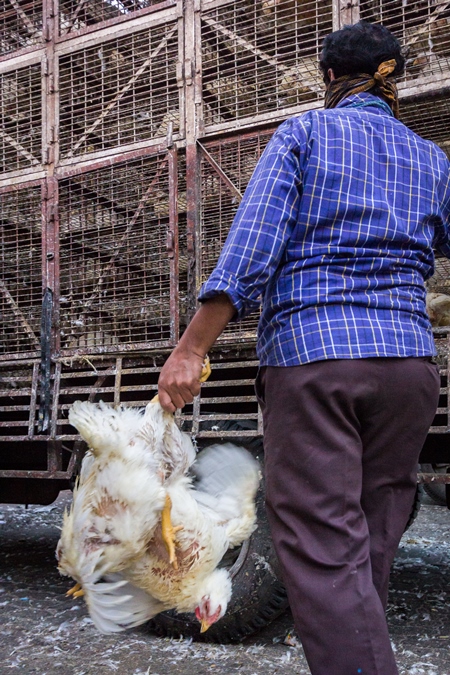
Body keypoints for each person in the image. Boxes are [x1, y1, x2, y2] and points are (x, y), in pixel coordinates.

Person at [157, 20, 450, 675]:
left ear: (328, 78)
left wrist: (188, 349)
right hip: (408, 367)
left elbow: (251, 251)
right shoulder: (433, 159)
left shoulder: (305, 133)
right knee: (370, 532)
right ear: (393, 80)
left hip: (317, 360)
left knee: (321, 543)